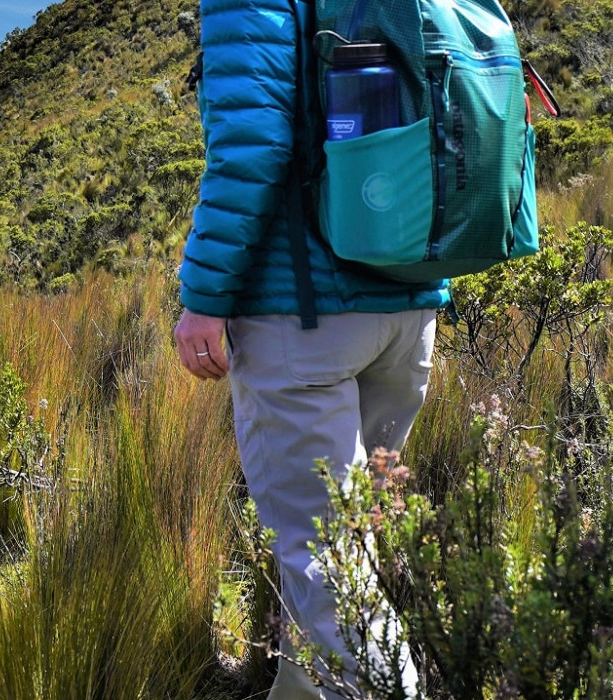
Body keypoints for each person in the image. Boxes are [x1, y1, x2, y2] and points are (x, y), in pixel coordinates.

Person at [175, 0, 445, 697]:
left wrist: (204, 297)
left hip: (305, 322)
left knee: (328, 562)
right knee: (350, 546)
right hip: (408, 304)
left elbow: (251, 149)